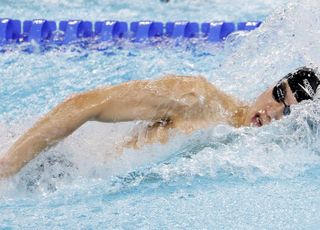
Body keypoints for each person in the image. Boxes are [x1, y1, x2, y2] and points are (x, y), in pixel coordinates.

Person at [0, 67, 319, 179]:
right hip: (46, 168)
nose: (271, 111)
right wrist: (7, 167)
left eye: (287, 113)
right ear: (271, 84)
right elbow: (86, 105)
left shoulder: (256, 159)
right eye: (278, 94)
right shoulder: (198, 99)